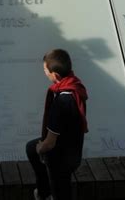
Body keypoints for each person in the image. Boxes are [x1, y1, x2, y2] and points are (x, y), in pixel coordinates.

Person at [26, 49, 88, 200]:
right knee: (31, 147)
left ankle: (44, 193)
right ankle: (44, 191)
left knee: (61, 192)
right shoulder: (76, 87)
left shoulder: (61, 102)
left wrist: (41, 147)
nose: (44, 72)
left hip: (60, 158)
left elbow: (49, 143)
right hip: (74, 149)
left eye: (45, 70)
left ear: (55, 75)